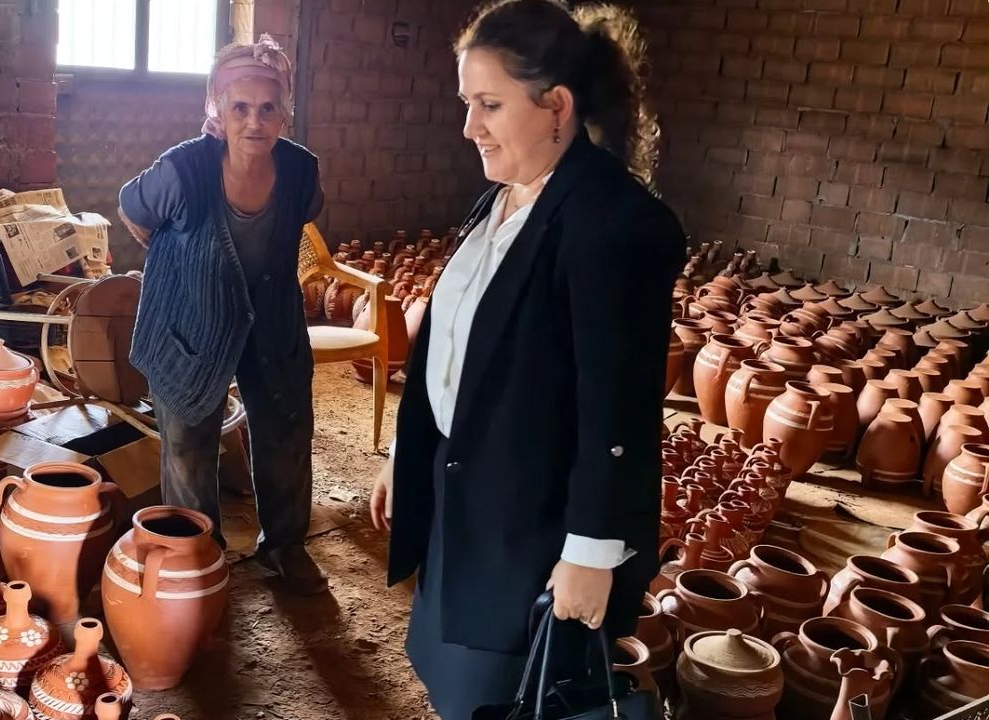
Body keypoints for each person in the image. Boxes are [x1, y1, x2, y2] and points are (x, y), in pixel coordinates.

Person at [369, 1, 684, 716]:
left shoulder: (613, 223)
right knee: (458, 688)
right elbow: (457, 347)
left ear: (556, 107)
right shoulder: (506, 199)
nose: (468, 126)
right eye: (467, 104)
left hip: (535, 533)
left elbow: (619, 409)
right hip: (470, 503)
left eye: (489, 105)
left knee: (506, 696)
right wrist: (408, 452)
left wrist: (591, 552)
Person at [118, 35, 328, 595]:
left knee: (285, 429)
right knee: (189, 442)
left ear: (285, 113)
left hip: (272, 321)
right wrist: (181, 260)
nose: (254, 122)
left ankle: (284, 545)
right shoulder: (182, 170)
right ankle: (196, 558)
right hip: (190, 323)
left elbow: (303, 216)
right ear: (218, 108)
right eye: (240, 108)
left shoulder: (300, 171)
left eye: (268, 108)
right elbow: (133, 208)